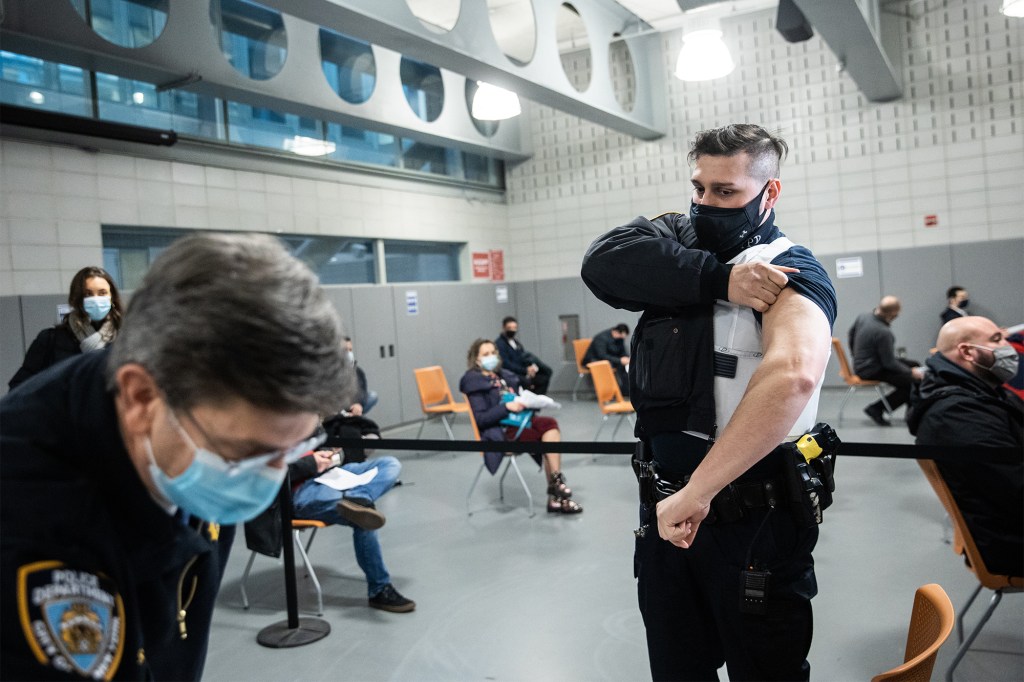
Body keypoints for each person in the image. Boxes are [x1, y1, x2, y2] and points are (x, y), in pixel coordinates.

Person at [1, 233, 349, 681]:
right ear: (142, 397)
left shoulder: (187, 439)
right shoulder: (32, 527)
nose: (267, 479)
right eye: (247, 453)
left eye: (293, 447)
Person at [582, 123, 837, 680]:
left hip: (753, 525)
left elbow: (792, 374)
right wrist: (720, 280)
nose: (705, 204)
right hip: (665, 520)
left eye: (725, 193)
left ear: (769, 193)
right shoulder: (677, 242)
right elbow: (602, 264)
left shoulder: (790, 268)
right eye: (699, 188)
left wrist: (699, 493)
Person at [907, 316, 1023, 576]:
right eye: (997, 340)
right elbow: (1015, 490)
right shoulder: (957, 414)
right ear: (967, 352)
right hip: (1009, 542)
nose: (1009, 346)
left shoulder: (981, 391)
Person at [459, 339, 582, 514]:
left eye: (493, 352)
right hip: (500, 431)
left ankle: (556, 487)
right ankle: (557, 494)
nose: (491, 357)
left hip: (520, 421)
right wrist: (506, 407)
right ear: (477, 360)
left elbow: (524, 390)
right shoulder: (474, 383)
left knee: (550, 424)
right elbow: (481, 419)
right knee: (546, 440)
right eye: (486, 354)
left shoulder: (504, 376)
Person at [289, 450, 415, 612]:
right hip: (300, 493)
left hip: (327, 475)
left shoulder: (302, 429)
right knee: (363, 518)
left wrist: (331, 455)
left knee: (390, 463)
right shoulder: (265, 434)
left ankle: (359, 498)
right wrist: (311, 463)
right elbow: (270, 473)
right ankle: (379, 589)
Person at [8, 265, 124, 391]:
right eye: (88, 294)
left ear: (112, 297)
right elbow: (19, 388)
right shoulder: (50, 341)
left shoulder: (127, 338)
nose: (96, 299)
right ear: (77, 299)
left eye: (102, 293)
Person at [848, 296, 924, 425]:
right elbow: (889, 363)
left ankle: (911, 411)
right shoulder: (884, 332)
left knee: (914, 364)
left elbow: (851, 334)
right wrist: (911, 373)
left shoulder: (863, 317)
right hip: (871, 369)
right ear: (892, 314)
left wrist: (856, 356)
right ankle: (876, 409)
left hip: (862, 364)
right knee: (912, 383)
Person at [495, 315, 553, 395]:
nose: (512, 330)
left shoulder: (516, 342)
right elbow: (506, 364)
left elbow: (523, 357)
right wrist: (525, 370)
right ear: (504, 328)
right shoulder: (500, 344)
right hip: (512, 373)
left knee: (545, 375)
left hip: (523, 371)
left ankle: (536, 403)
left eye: (514, 328)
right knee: (526, 382)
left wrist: (530, 368)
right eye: (510, 328)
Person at [583, 323, 631, 395]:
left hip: (609, 360)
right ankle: (608, 393)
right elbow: (602, 355)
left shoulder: (619, 338)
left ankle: (626, 391)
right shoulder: (601, 338)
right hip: (594, 360)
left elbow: (622, 351)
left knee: (625, 366)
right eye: (621, 336)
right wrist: (619, 360)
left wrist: (626, 358)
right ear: (616, 332)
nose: (622, 339)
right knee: (609, 365)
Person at [344, 336, 378, 415]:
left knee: (373, 396)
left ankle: (355, 415)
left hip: (356, 405)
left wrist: (358, 404)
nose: (349, 353)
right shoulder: (332, 373)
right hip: (341, 409)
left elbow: (362, 391)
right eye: (345, 350)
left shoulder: (358, 371)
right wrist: (350, 406)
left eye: (350, 350)